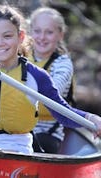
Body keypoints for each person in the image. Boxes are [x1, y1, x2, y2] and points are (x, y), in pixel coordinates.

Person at [0, 4, 101, 154]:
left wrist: (91, 119)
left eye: (7, 36)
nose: (0, 43)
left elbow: (63, 113)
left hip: (17, 147)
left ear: (20, 37)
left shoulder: (37, 76)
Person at [28, 7, 75, 153]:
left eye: (49, 32)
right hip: (15, 127)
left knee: (35, 142)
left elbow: (52, 92)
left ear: (60, 35)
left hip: (47, 134)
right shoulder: (20, 58)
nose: (42, 37)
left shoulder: (63, 64)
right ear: (30, 32)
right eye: (37, 31)